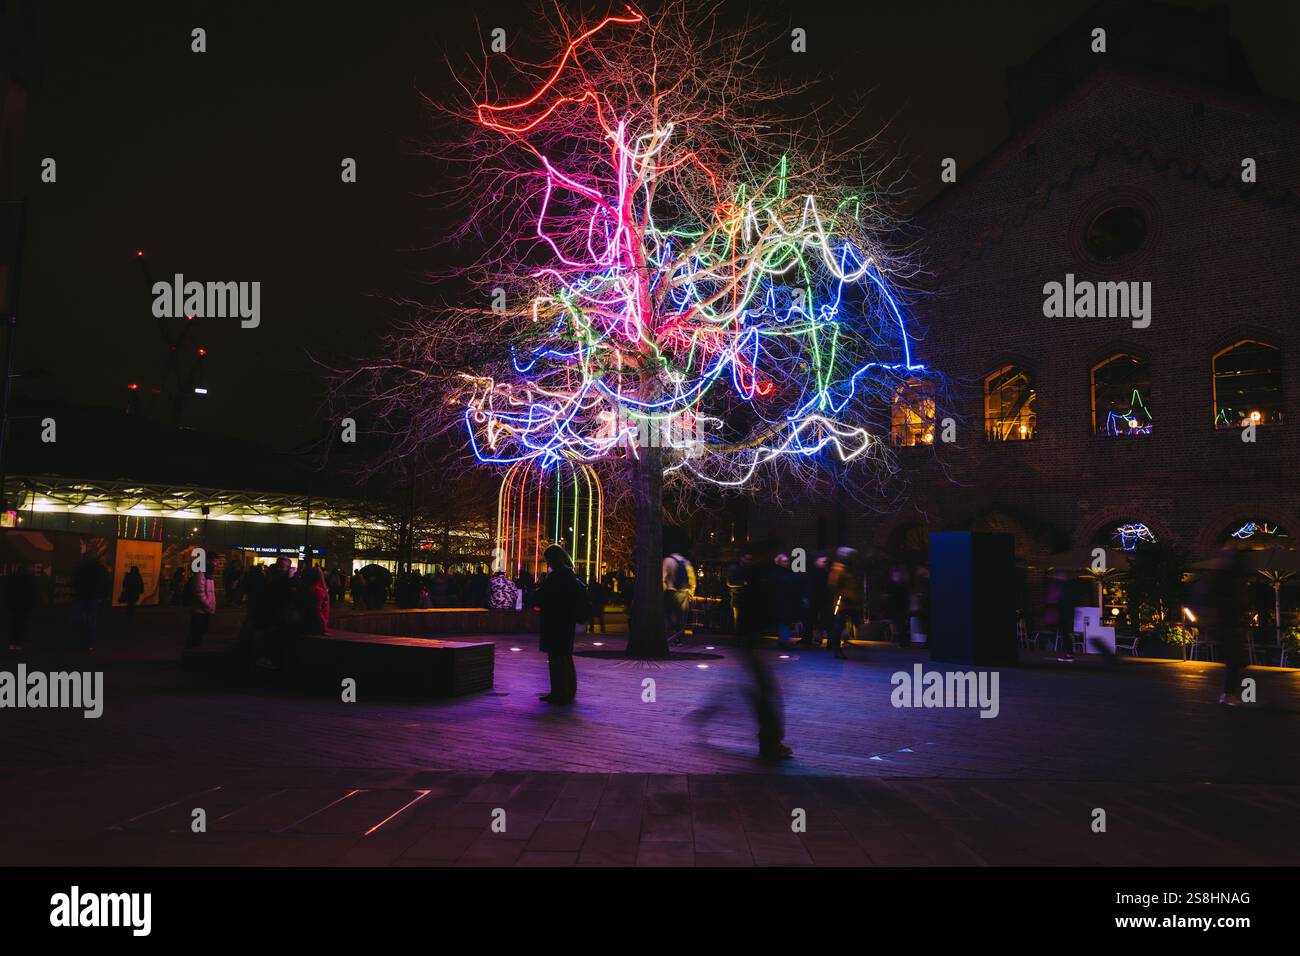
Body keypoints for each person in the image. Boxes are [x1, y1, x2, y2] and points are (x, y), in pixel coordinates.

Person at [533, 544, 589, 704]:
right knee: (564, 657)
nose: (547, 563)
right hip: (565, 623)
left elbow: (545, 598)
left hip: (555, 623)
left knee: (557, 658)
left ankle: (560, 692)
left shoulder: (557, 577)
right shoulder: (569, 576)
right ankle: (566, 691)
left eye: (547, 560)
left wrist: (541, 585)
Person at [827, 547, 863, 659]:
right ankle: (836, 649)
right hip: (842, 602)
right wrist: (843, 595)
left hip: (851, 602)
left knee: (844, 625)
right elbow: (833, 584)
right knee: (838, 626)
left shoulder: (849, 569)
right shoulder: (839, 568)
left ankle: (838, 646)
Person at [71, 553, 108, 651]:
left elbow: (74, 581)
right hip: (93, 597)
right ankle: (89, 643)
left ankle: (80, 641)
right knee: (91, 619)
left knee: (80, 618)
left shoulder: (79, 568)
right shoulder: (98, 569)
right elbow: (103, 583)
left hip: (81, 596)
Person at [769, 554, 801, 649]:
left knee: (784, 622)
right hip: (781, 601)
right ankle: (784, 641)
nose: (787, 563)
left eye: (787, 561)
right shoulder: (777, 574)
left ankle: (783, 640)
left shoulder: (786, 573)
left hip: (786, 601)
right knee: (784, 622)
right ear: (779, 562)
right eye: (785, 561)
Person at [662, 551, 696, 639]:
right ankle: (679, 639)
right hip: (684, 592)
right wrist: (691, 593)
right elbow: (692, 580)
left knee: (667, 613)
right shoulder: (686, 562)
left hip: (671, 591)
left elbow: (663, 577)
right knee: (681, 617)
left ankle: (669, 635)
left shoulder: (667, 560)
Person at [5, 562, 38, 651]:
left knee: (13, 625)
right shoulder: (30, 579)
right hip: (24, 606)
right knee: (21, 625)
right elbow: (32, 593)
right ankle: (18, 643)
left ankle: (12, 643)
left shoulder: (12, 578)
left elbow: (7, 592)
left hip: (14, 605)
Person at [186, 566, 216, 648]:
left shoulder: (208, 576)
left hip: (203, 609)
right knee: (197, 631)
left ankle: (195, 648)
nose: (216, 564)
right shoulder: (202, 576)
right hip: (201, 609)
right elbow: (200, 593)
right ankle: (193, 650)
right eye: (214, 561)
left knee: (200, 631)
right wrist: (209, 605)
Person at [300, 565, 330, 636]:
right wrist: (323, 626)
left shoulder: (305, 588)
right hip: (316, 625)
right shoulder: (318, 590)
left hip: (307, 624)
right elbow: (318, 611)